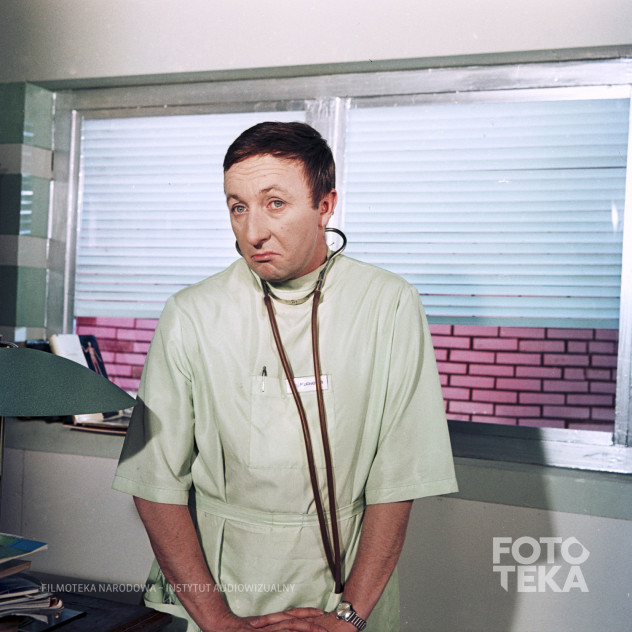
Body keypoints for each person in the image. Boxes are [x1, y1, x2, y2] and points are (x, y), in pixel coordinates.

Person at [113, 121, 457, 632]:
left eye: (275, 203)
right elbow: (154, 483)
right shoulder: (191, 313)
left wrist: (350, 618)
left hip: (348, 593)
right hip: (226, 592)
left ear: (325, 206)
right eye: (238, 207)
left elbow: (397, 480)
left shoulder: (388, 304)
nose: (253, 231)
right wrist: (218, 621)